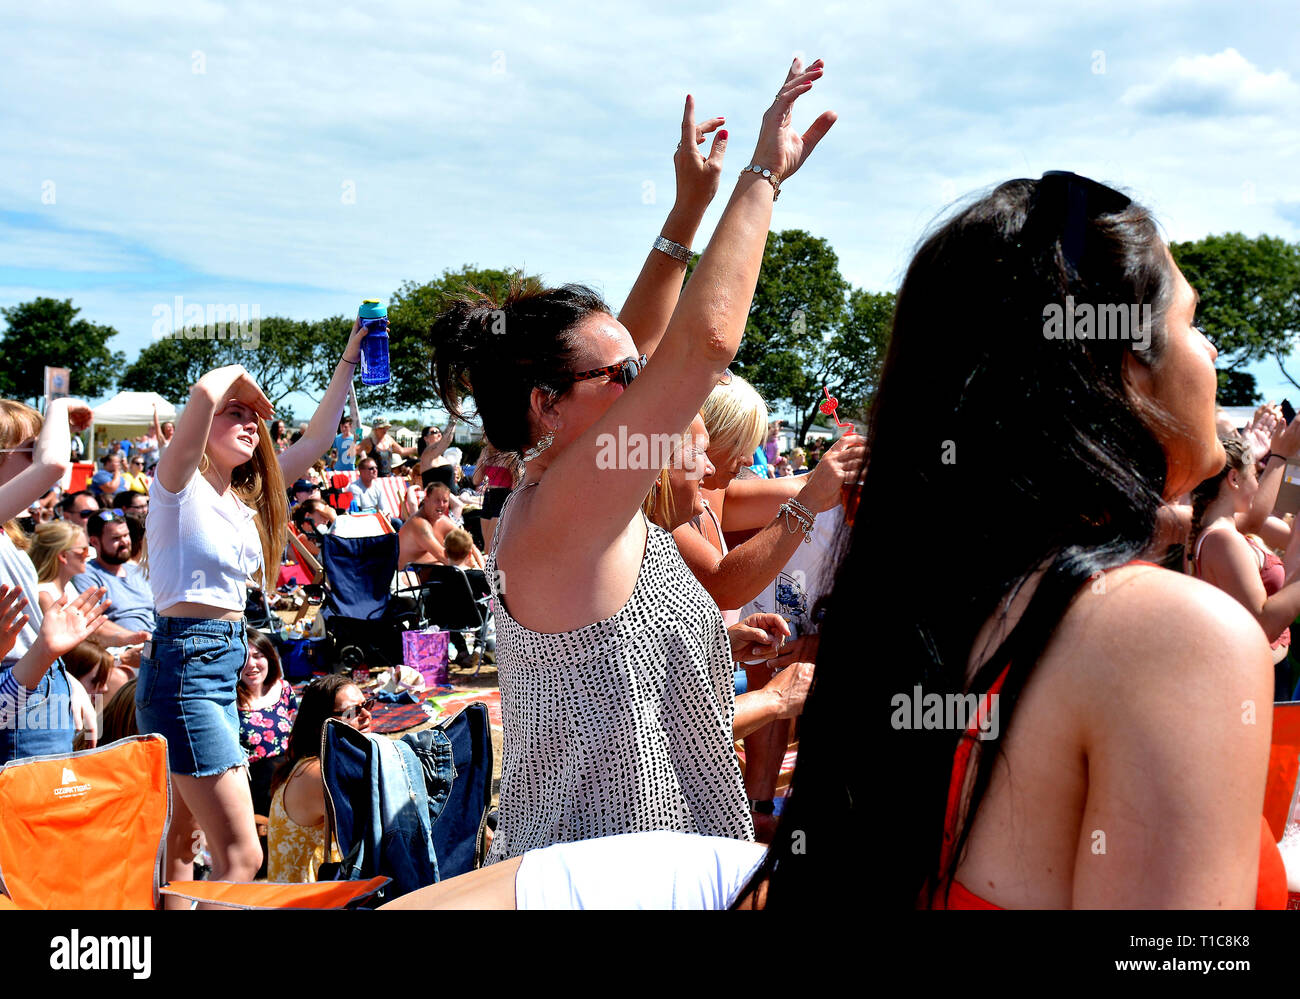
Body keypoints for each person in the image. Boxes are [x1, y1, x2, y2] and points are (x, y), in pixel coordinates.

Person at [427, 62, 835, 863]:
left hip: (642, 863)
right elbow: (702, 347)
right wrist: (763, 176)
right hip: (611, 874)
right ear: (546, 403)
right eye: (624, 381)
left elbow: (642, 344)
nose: (646, 388)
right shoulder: (562, 508)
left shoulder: (569, 490)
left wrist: (687, 210)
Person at [137, 316, 375, 894]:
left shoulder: (245, 503)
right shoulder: (176, 486)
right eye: (234, 413)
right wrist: (240, 378)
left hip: (218, 667)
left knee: (186, 843)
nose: (249, 422)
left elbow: (317, 441)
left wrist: (350, 355)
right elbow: (203, 392)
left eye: (254, 418)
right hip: (185, 669)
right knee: (242, 857)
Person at [1188, 435, 1300, 699]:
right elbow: (1262, 624)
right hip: (1253, 684)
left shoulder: (1223, 531)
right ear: (1234, 479)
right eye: (1255, 476)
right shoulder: (1222, 538)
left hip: (1267, 676)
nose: (1259, 485)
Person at [266, 675, 370, 883]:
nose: (367, 715)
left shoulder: (314, 762)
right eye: (352, 712)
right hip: (304, 902)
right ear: (320, 724)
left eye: (366, 705)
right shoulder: (316, 774)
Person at [237, 627, 298, 818]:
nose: (251, 664)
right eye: (244, 657)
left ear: (269, 658)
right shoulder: (228, 700)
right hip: (252, 789)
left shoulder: (283, 689)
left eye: (258, 655)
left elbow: (297, 728)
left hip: (288, 782)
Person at [74, 510, 156, 645]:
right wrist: (135, 637)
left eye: (126, 535)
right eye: (116, 538)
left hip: (154, 642)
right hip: (122, 649)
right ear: (94, 542)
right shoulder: (87, 575)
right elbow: (92, 620)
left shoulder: (137, 570)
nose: (124, 542)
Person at [397, 482, 477, 568]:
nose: (441, 505)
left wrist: (480, 567)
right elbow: (442, 556)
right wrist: (471, 568)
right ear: (426, 500)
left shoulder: (443, 521)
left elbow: (471, 545)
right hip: (411, 574)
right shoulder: (419, 524)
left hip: (431, 570)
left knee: (482, 559)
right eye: (437, 500)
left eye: (445, 501)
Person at [28, 519, 90, 612]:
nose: (87, 554)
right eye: (83, 550)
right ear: (63, 555)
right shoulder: (44, 596)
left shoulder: (67, 587)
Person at [472, 438, 518, 555]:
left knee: (491, 545)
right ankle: (489, 571)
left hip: (503, 496)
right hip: (489, 497)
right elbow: (476, 480)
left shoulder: (510, 453)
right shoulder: (486, 452)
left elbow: (517, 482)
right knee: (487, 546)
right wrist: (482, 460)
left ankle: (493, 571)